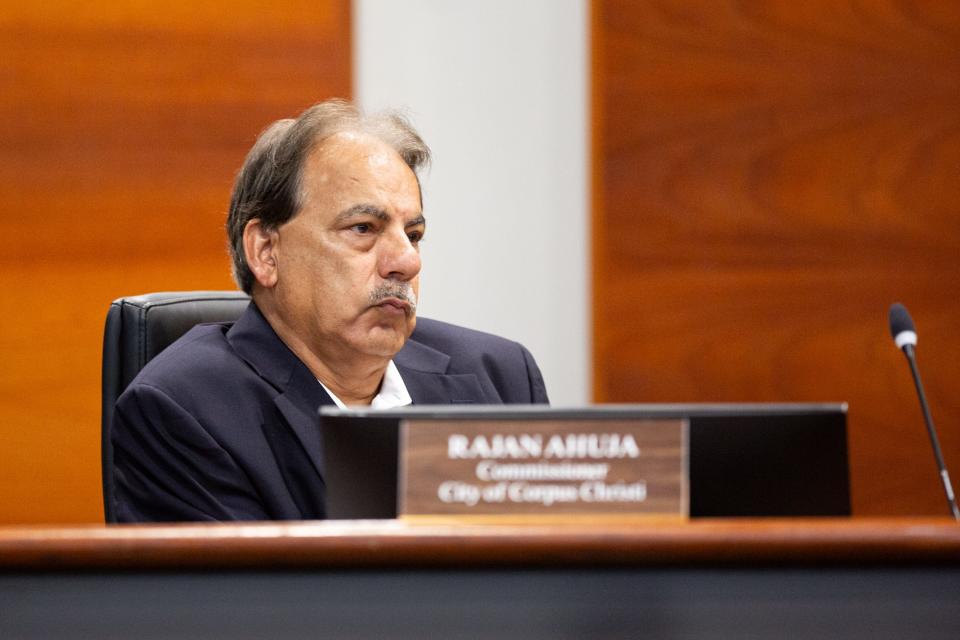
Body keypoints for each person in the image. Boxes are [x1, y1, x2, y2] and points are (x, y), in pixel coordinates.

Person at [111, 99, 549, 522]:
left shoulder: (500, 377)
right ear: (266, 252)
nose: (407, 261)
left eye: (413, 235)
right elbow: (247, 598)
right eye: (363, 228)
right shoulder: (183, 410)